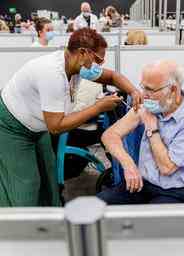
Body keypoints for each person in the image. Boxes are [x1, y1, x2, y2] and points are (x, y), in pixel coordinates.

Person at [0, 28, 142, 207]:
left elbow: (113, 77)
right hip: (11, 128)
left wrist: (134, 91)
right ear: (83, 52)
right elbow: (56, 127)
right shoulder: (51, 73)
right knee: (26, 185)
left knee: (48, 178)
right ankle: (21, 228)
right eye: (98, 59)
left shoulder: (78, 66)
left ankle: (48, 222)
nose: (99, 65)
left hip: (37, 128)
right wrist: (98, 107)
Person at [97, 60, 184, 205]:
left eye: (150, 90)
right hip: (145, 184)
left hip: (179, 190)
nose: (144, 95)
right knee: (100, 205)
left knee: (147, 225)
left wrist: (151, 128)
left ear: (173, 90)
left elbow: (167, 168)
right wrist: (129, 165)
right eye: (143, 88)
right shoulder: (153, 106)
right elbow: (109, 136)